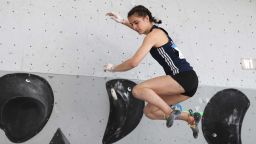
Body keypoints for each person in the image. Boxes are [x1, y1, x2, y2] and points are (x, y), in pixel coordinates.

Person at [104, 5, 201, 138]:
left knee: (138, 90)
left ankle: (169, 112)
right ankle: (189, 118)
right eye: (132, 24)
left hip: (183, 77)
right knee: (149, 111)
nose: (135, 27)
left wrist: (114, 68)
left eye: (136, 22)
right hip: (188, 84)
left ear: (146, 18)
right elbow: (142, 30)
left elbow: (134, 62)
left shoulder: (154, 35)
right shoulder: (156, 32)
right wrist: (123, 22)